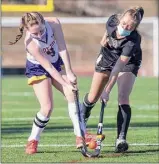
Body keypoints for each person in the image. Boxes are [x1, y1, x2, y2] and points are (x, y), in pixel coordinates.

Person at [9, 12, 95, 154]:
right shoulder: (30, 43)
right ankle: (33, 140)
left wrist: (69, 72)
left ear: (44, 22)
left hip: (55, 63)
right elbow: (47, 67)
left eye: (41, 30)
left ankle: (80, 135)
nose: (39, 35)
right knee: (47, 107)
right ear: (27, 29)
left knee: (72, 94)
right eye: (35, 33)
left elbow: (62, 48)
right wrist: (65, 83)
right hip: (38, 68)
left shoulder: (54, 23)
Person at [82, 6, 144, 153]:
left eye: (130, 26)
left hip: (128, 62)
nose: (125, 27)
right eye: (123, 24)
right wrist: (104, 38)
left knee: (123, 97)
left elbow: (117, 68)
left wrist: (107, 91)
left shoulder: (133, 41)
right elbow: (108, 31)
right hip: (107, 55)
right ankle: (81, 127)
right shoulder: (112, 20)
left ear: (135, 28)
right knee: (92, 97)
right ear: (120, 19)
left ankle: (121, 138)